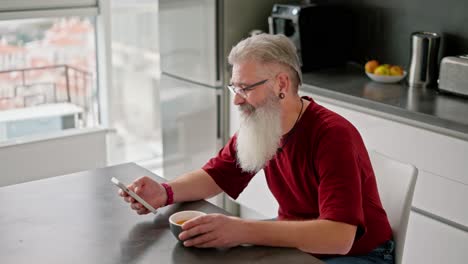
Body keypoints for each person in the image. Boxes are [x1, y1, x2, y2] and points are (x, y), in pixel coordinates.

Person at [118, 34, 394, 264]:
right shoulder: (265, 124)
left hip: (359, 254)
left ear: (281, 84)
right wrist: (164, 192)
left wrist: (242, 231)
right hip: (300, 244)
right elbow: (217, 174)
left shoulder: (333, 136)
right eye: (234, 88)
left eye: (245, 88)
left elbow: (339, 237)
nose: (237, 101)